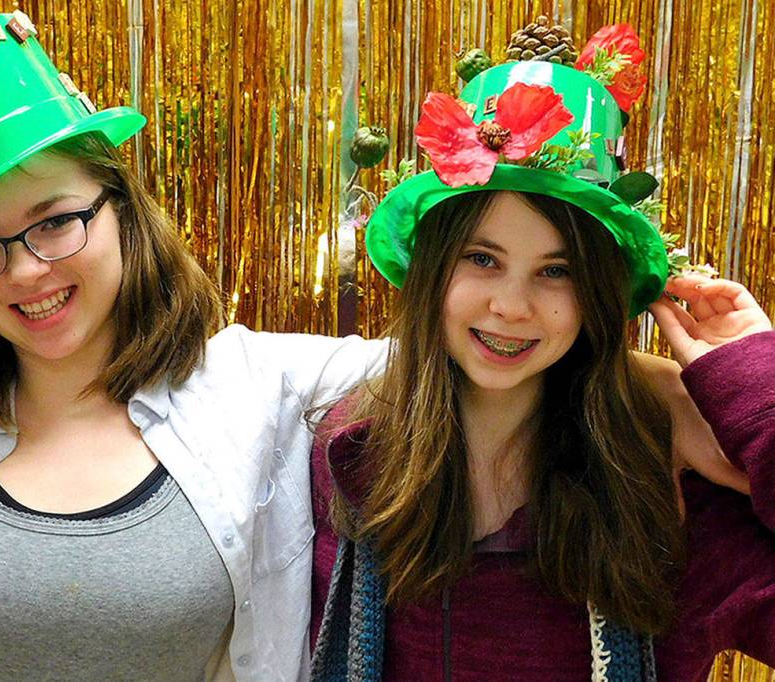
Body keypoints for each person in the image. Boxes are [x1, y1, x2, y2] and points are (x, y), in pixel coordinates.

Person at [0, 13, 733, 682]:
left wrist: (684, 379)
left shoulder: (263, 387)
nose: (26, 269)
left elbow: (483, 348)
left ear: (123, 211)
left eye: (55, 220)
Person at [309, 26, 775, 682]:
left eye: (556, 272)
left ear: (596, 294)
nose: (511, 306)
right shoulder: (350, 453)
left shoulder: (662, 481)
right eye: (482, 258)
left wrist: (753, 384)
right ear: (431, 269)